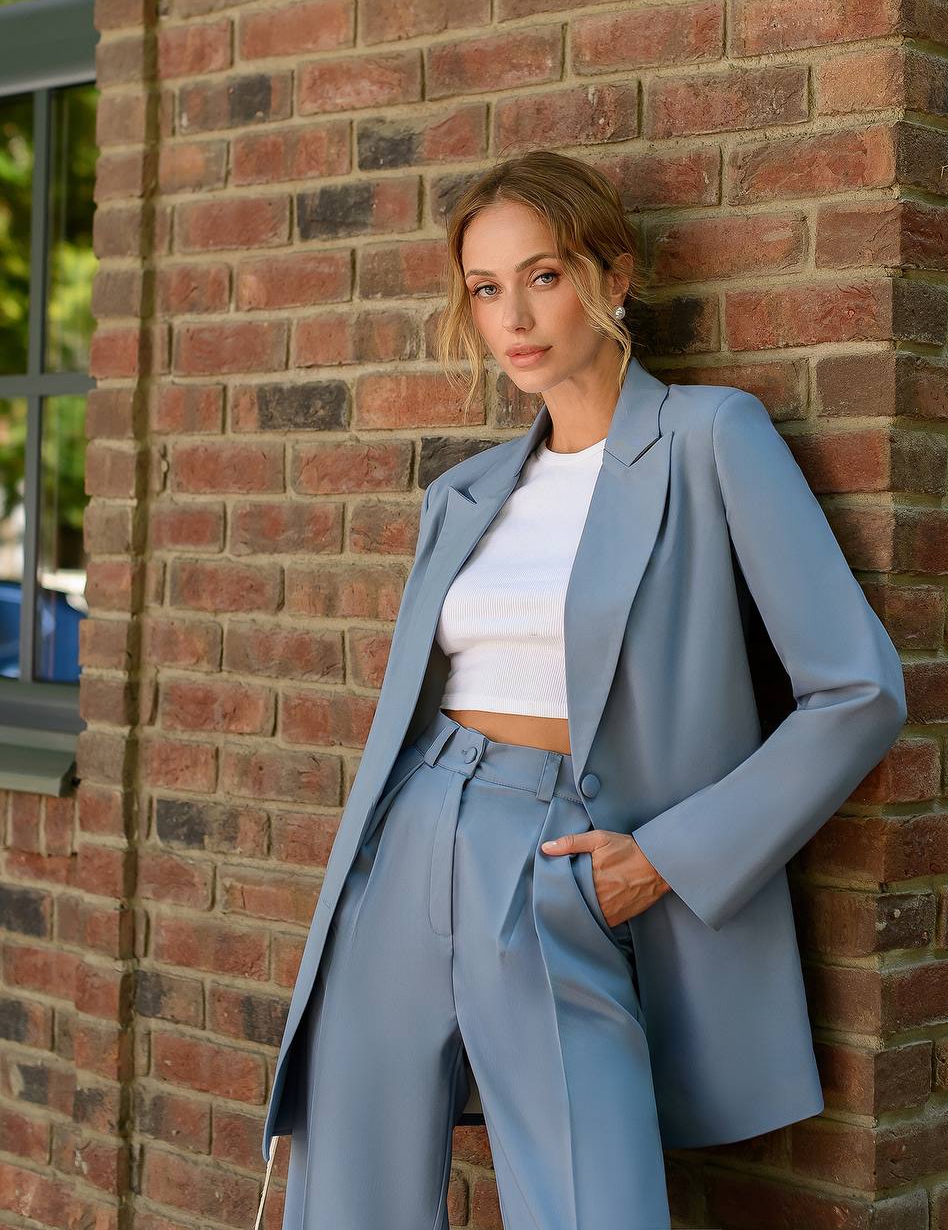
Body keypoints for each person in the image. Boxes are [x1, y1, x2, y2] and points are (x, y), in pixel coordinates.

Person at [254, 149, 907, 1230]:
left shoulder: (709, 438)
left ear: (616, 276)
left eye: (543, 275)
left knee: (594, 1200)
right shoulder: (463, 493)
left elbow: (858, 689)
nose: (514, 313)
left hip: (560, 859)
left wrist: (666, 859)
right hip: (410, 836)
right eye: (485, 287)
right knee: (351, 1197)